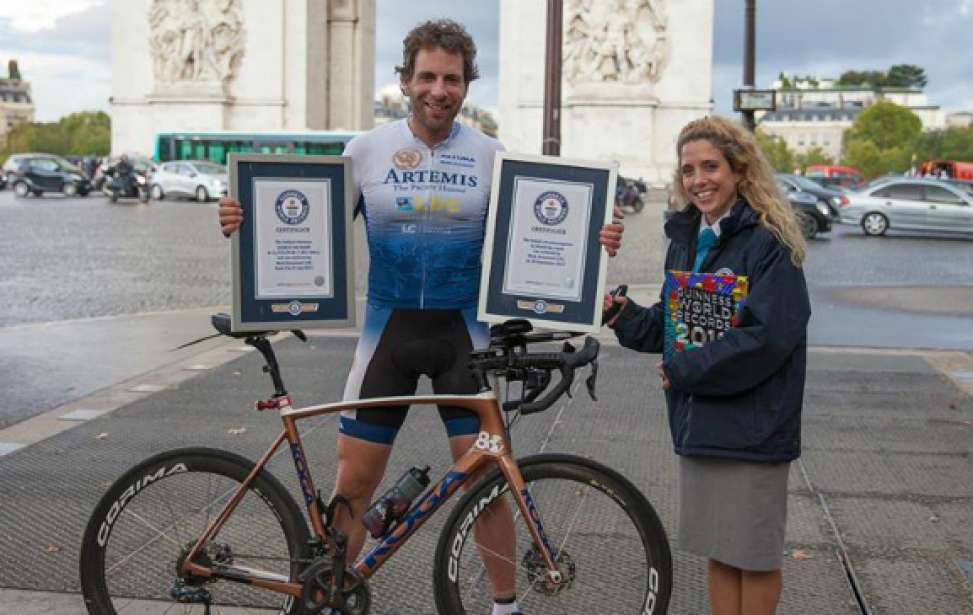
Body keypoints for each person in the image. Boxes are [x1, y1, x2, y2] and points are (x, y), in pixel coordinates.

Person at [218, 19, 624, 615]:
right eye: (427, 76)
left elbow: (536, 234)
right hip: (387, 336)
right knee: (354, 487)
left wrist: (590, 239)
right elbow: (306, 227)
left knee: (487, 487)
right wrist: (245, 222)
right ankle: (328, 600)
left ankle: (504, 608)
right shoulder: (365, 151)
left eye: (452, 79)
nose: (440, 89)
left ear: (467, 85)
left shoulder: (491, 155)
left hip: (464, 338)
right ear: (405, 81)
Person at [604, 115, 810, 615]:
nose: (699, 180)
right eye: (689, 169)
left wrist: (684, 371)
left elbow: (769, 337)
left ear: (739, 170)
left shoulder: (769, 241)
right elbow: (675, 327)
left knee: (755, 558)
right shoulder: (686, 238)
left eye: (711, 166)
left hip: (754, 427)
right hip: (701, 421)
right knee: (720, 551)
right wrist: (621, 314)